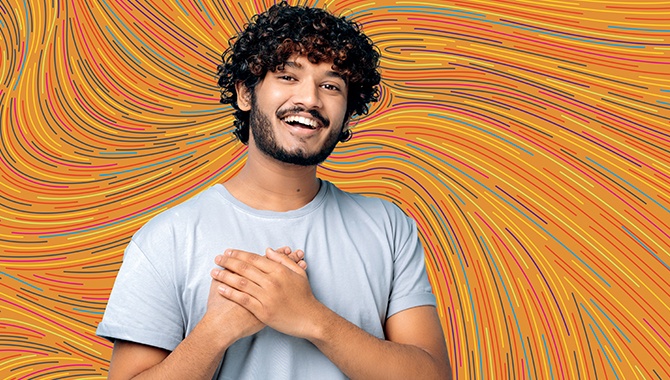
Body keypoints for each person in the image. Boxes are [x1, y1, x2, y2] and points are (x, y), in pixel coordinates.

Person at [96, 2, 451, 379]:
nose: (311, 99)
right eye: (287, 76)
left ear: (348, 110)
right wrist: (215, 331)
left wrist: (312, 317)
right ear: (246, 94)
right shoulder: (167, 237)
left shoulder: (388, 227)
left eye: (331, 85)